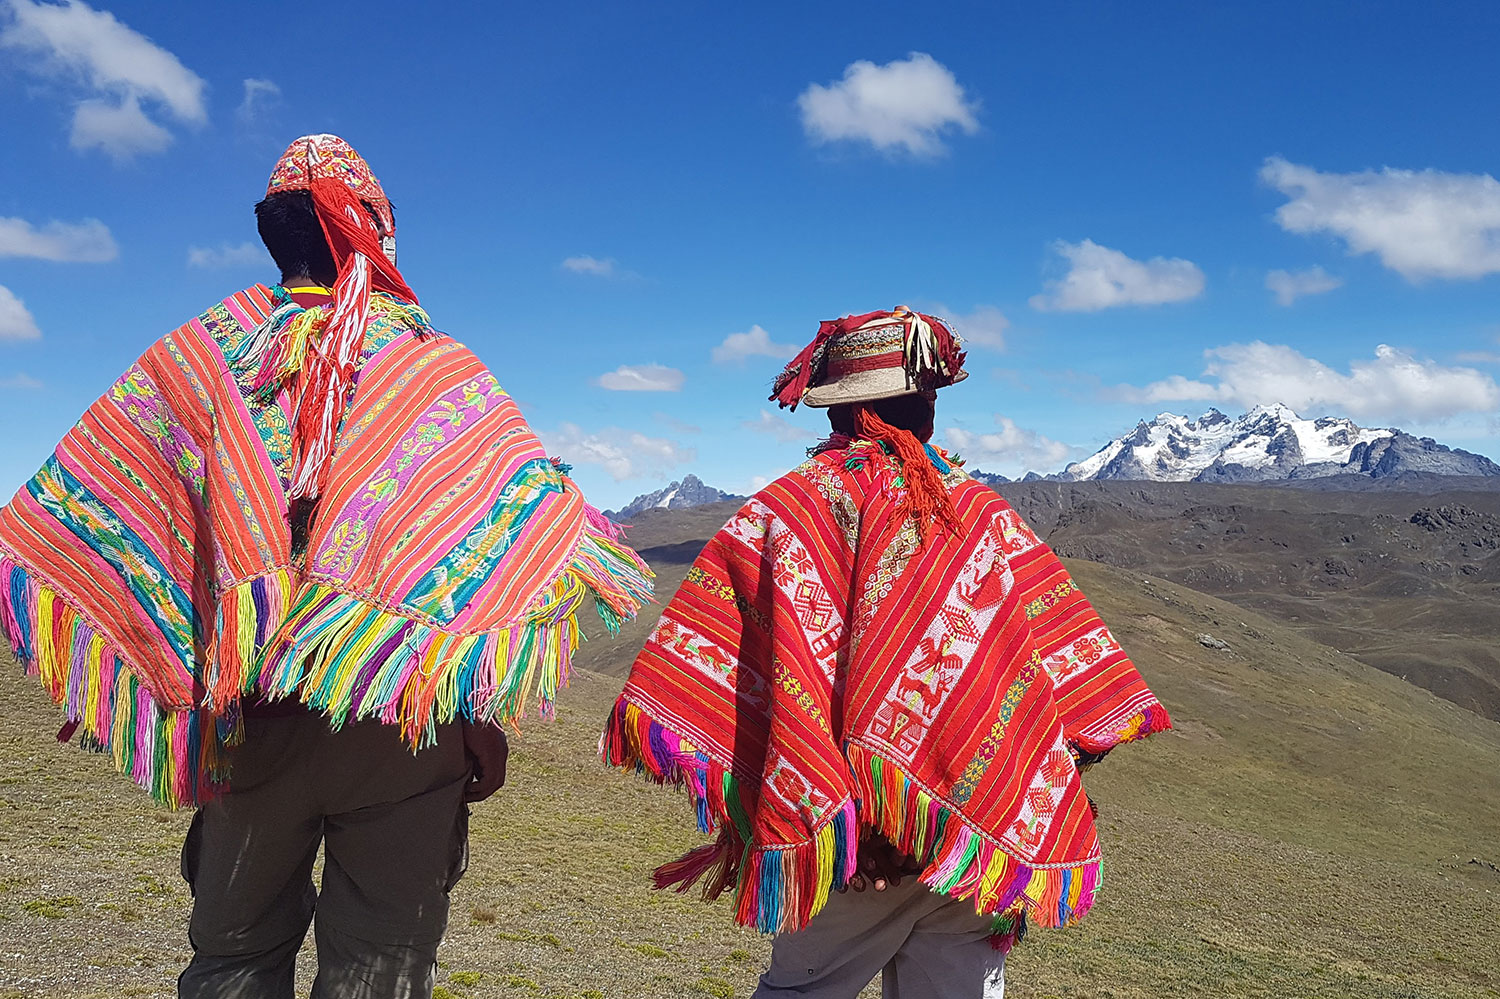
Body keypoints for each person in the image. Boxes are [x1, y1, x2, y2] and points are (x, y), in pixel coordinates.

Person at [0, 134, 652, 999]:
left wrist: (161, 659)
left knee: (233, 957)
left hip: (251, 721)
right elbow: (498, 563)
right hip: (397, 729)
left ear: (279, 235)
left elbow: (103, 512)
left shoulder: (200, 357)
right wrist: (477, 723)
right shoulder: (436, 372)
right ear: (369, 234)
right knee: (379, 965)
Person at [602, 306, 1170, 998]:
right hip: (974, 849)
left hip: (845, 857)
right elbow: (1081, 690)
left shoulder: (780, 517)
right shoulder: (987, 518)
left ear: (840, 411)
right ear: (922, 406)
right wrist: (980, 798)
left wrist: (857, 823)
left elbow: (714, 680)